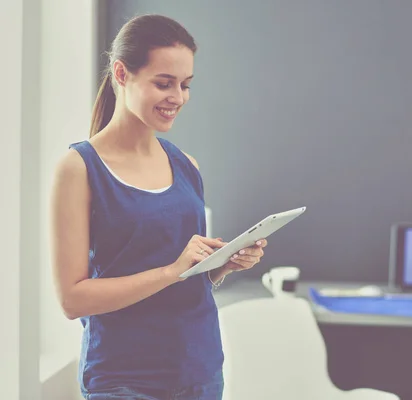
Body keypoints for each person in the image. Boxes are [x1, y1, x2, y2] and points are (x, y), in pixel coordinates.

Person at [50, 14, 267, 400]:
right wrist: (172, 270)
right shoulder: (80, 168)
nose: (178, 97)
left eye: (185, 85)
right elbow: (72, 299)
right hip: (124, 380)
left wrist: (220, 266)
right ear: (121, 73)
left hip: (199, 371)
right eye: (164, 83)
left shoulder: (187, 165)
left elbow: (187, 279)